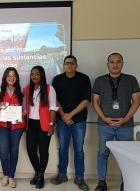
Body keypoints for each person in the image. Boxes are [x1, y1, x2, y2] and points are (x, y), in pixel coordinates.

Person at [92, 53, 140, 191]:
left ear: (122, 64)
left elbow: (136, 102)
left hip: (125, 126)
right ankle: (101, 182)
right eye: (112, 62)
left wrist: (125, 119)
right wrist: (104, 118)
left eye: (118, 62)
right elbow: (95, 102)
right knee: (102, 153)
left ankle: (125, 182)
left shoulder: (131, 79)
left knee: (126, 156)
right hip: (104, 125)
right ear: (107, 64)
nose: (115, 64)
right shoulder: (99, 81)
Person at [51, 55, 91, 191]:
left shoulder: (84, 79)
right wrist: (63, 115)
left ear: (76, 65)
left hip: (79, 120)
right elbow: (54, 100)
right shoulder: (57, 80)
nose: (69, 66)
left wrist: (70, 115)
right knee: (63, 148)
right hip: (62, 120)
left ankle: (79, 177)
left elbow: (86, 100)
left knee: (79, 150)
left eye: (72, 63)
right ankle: (62, 174)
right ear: (63, 65)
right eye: (67, 63)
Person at [24, 65, 58, 189]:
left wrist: (51, 124)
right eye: (32, 74)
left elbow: (53, 107)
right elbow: (25, 108)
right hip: (31, 124)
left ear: (42, 75)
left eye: (37, 74)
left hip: (44, 123)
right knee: (30, 150)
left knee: (43, 151)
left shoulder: (49, 89)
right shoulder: (27, 89)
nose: (34, 76)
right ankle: (38, 173)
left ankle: (41, 175)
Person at [0, 67, 25, 188]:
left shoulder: (22, 90)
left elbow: (26, 107)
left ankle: (11, 176)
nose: (11, 78)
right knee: (3, 151)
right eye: (9, 76)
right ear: (5, 77)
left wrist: (23, 112)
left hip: (17, 125)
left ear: (16, 78)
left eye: (14, 76)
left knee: (14, 150)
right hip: (2, 125)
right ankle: (5, 174)